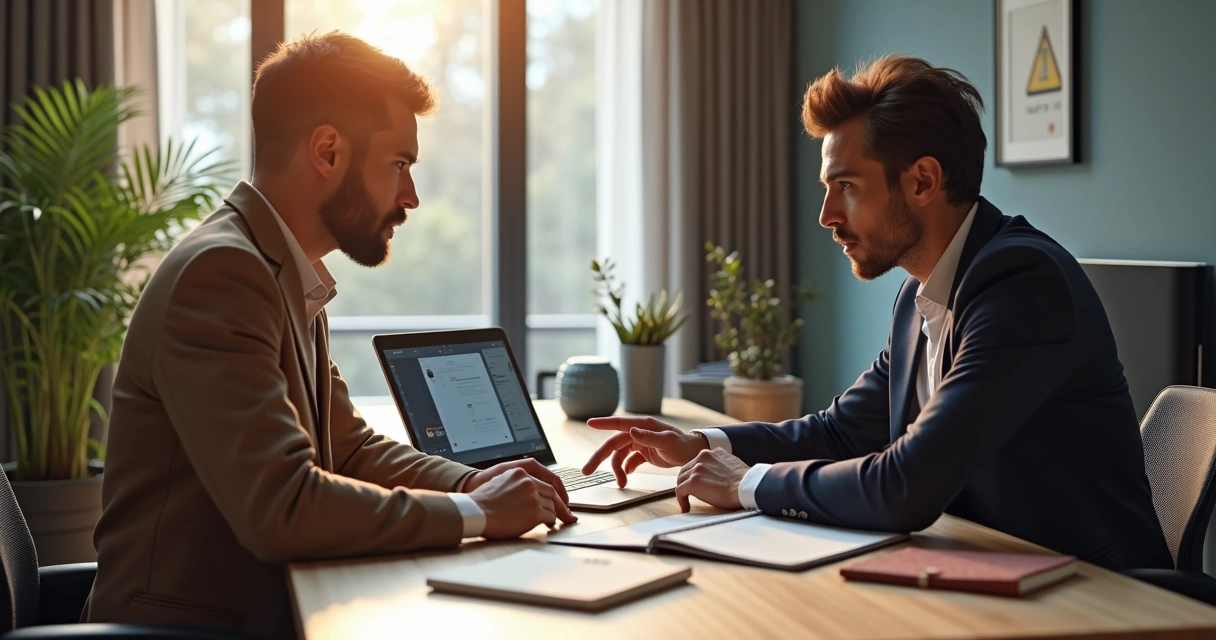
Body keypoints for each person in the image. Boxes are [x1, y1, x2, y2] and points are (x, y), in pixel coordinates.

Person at [583, 55, 1172, 571]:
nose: (826, 215)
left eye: (847, 186)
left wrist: (747, 484)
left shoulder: (1021, 283)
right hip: (988, 573)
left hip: (1099, 595)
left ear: (922, 181)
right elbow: (841, 431)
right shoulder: (921, 295)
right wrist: (704, 444)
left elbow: (907, 485)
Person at [86, 31, 575, 638]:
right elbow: (282, 508)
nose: (411, 197)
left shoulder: (280, 269)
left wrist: (474, 481)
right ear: (327, 151)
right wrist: (475, 512)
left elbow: (347, 448)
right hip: (198, 628)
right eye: (399, 164)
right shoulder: (222, 275)